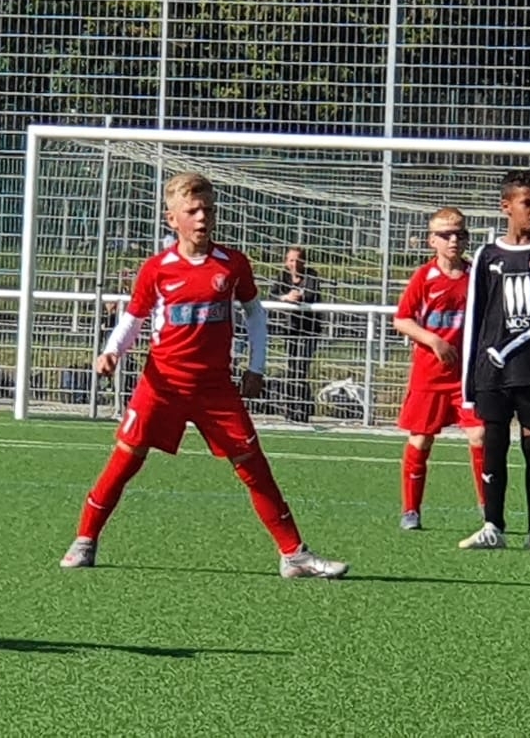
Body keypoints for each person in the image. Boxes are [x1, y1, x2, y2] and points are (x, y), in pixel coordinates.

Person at [60, 172, 348, 579]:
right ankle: (85, 540)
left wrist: (256, 366)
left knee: (253, 466)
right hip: (162, 386)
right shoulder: (157, 269)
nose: (202, 218)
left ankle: (294, 555)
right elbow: (134, 318)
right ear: (171, 218)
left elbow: (254, 313)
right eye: (193, 211)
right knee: (125, 460)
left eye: (208, 210)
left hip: (215, 387)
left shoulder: (232, 263)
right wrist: (111, 352)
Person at [457, 169, 530, 554]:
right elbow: (474, 319)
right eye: (528, 203)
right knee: (494, 442)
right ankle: (493, 525)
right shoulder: (487, 256)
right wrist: (468, 385)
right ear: (506, 206)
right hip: (491, 371)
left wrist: (509, 347)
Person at [391, 207, 486, 531]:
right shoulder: (424, 277)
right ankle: (411, 510)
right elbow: (402, 319)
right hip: (429, 375)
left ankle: (488, 508)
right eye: (445, 235)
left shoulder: (477, 276)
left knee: (480, 435)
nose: (453, 240)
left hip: (466, 378)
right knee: (421, 440)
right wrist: (434, 341)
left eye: (460, 234)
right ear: (432, 240)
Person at [269, 246, 322, 424]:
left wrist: (298, 296)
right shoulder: (282, 276)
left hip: (309, 330)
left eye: (298, 260)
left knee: (301, 368)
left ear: (303, 261)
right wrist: (285, 297)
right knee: (292, 368)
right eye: (291, 260)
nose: (294, 264)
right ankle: (290, 410)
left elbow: (311, 294)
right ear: (286, 262)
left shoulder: (312, 276)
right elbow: (273, 294)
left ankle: (303, 409)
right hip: (290, 329)